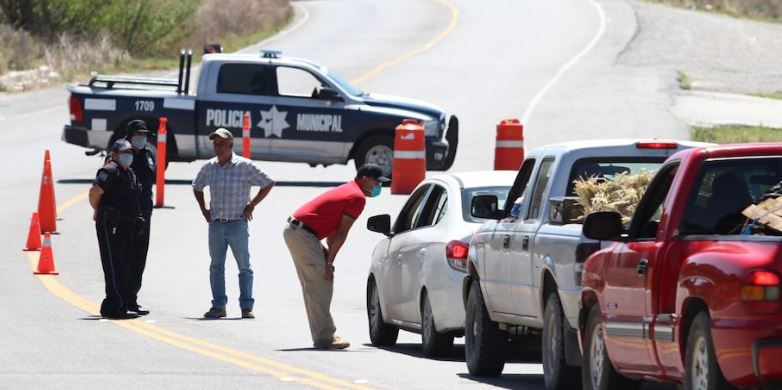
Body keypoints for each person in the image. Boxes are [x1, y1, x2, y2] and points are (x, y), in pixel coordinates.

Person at [283, 163, 388, 350]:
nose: (379, 186)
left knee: (318, 284)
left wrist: (328, 260)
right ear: (364, 179)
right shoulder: (357, 197)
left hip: (299, 232)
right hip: (302, 234)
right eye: (376, 182)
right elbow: (341, 235)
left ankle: (323, 335)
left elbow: (334, 233)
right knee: (320, 283)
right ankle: (325, 338)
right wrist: (329, 263)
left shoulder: (351, 189)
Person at [192, 128, 274, 319]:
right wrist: (204, 209)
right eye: (215, 143)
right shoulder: (209, 166)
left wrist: (251, 205)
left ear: (231, 144)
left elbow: (268, 182)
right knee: (216, 266)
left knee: (244, 266)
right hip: (216, 224)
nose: (218, 147)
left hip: (237, 223)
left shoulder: (244, 166)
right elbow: (197, 186)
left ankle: (246, 306)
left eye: (221, 143)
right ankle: (219, 306)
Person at [89, 139, 142, 319]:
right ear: (116, 154)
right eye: (125, 152)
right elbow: (95, 192)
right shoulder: (109, 170)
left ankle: (118, 305)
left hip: (126, 226)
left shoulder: (129, 173)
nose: (129, 155)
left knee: (124, 264)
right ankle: (115, 305)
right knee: (114, 265)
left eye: (131, 152)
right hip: (111, 225)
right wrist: (98, 210)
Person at [125, 119, 155, 316]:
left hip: (144, 212)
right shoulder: (122, 155)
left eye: (144, 134)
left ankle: (132, 299)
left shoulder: (148, 155)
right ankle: (120, 298)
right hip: (126, 214)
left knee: (139, 258)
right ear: (129, 136)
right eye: (138, 134)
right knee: (124, 257)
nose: (141, 138)